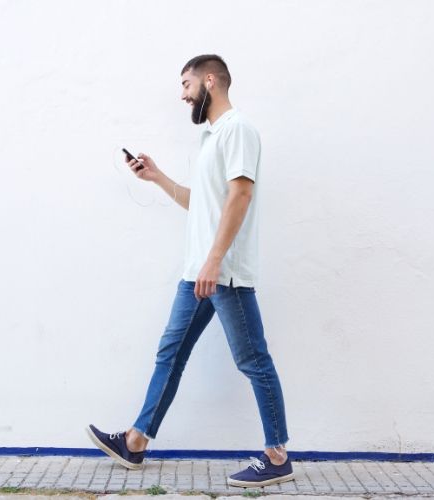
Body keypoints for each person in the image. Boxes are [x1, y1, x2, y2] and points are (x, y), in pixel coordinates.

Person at [86, 54, 294, 488]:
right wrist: (158, 177)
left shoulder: (238, 129)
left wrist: (216, 260)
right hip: (199, 272)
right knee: (171, 353)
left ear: (210, 81)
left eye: (186, 85)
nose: (182, 95)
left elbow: (240, 196)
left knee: (253, 360)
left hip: (223, 272)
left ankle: (277, 455)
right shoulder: (212, 138)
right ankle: (136, 442)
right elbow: (201, 203)